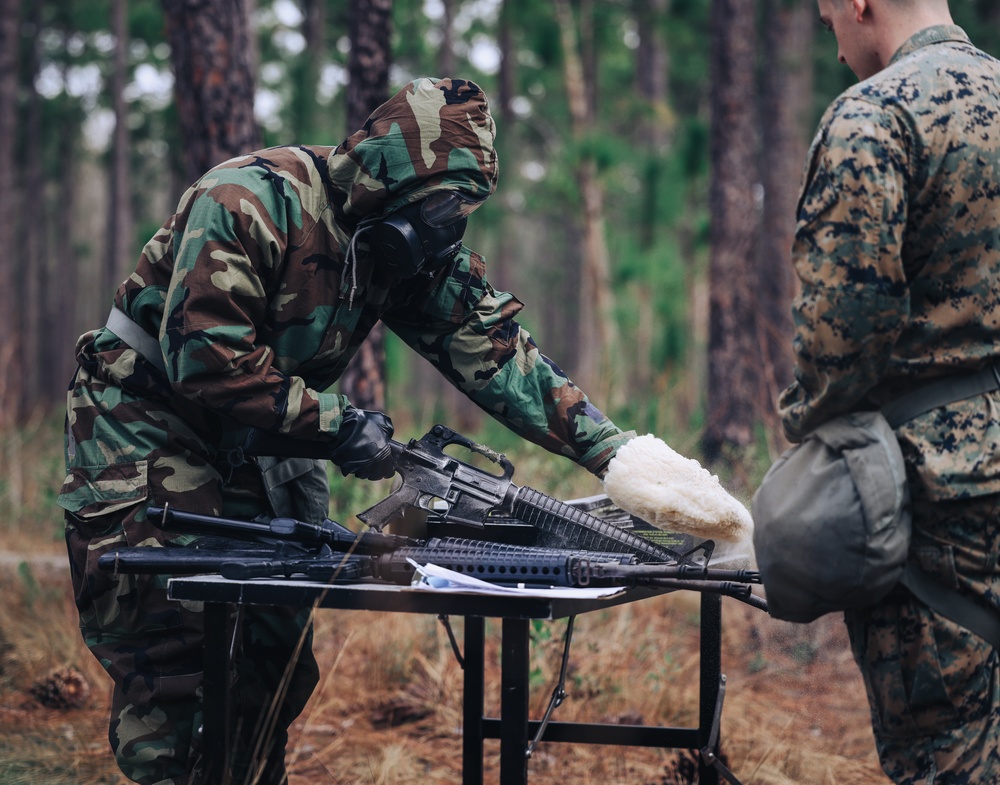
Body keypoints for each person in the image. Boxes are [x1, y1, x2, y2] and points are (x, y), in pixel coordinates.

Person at [57, 77, 634, 785]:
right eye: (439, 209)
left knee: (272, 658)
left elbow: (498, 355)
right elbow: (203, 360)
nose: (445, 230)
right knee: (178, 660)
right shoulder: (248, 200)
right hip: (145, 423)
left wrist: (621, 456)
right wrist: (337, 423)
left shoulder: (406, 246)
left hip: (261, 439)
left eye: (460, 213)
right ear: (386, 182)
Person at [777, 1, 1000, 782]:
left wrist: (803, 433)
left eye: (828, 13)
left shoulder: (875, 115)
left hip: (934, 516)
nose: (833, 44)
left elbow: (844, 333)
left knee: (946, 758)